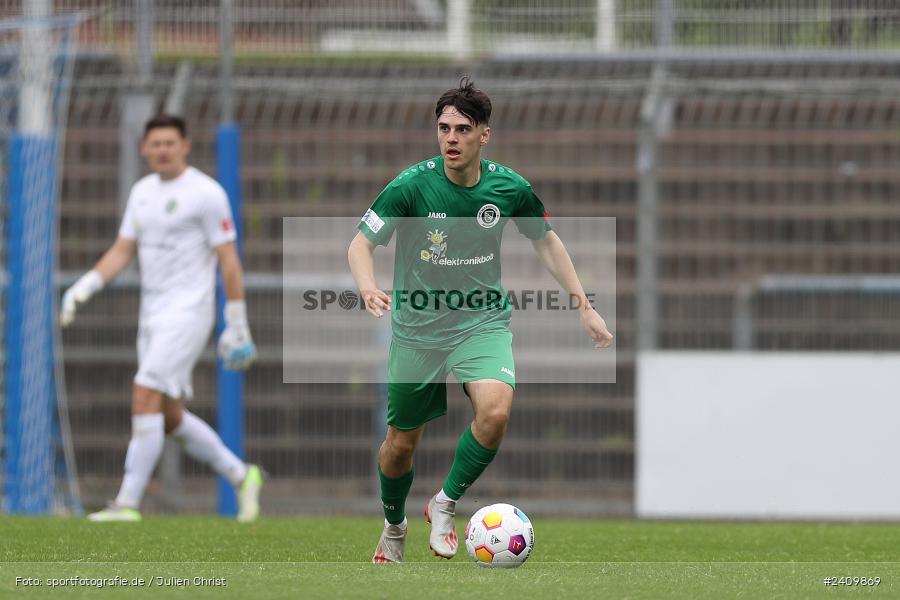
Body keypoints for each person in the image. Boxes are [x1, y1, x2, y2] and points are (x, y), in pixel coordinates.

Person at [348, 78, 614, 563]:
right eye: (443, 128)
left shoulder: (509, 188)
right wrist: (367, 285)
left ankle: (445, 503)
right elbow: (360, 244)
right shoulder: (411, 186)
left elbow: (546, 241)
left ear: (483, 135)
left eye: (462, 129)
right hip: (418, 330)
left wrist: (583, 304)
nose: (450, 138)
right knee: (400, 446)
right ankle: (393, 525)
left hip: (481, 322)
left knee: (495, 412)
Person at [60, 114, 263, 522]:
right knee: (168, 416)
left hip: (188, 312)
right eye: (155, 144)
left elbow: (228, 260)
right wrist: (84, 286)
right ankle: (243, 476)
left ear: (185, 146)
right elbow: (123, 249)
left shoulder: (207, 193)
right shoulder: (142, 193)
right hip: (151, 316)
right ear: (144, 149)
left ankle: (126, 504)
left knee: (144, 392)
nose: (163, 150)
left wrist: (237, 322)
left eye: (170, 143)